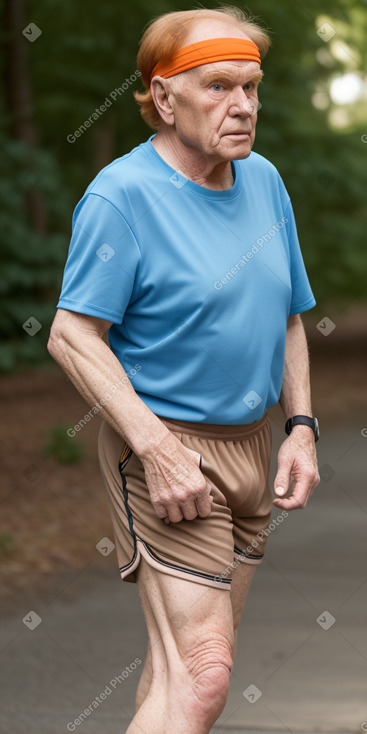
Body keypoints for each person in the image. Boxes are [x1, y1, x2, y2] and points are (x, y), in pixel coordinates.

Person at [48, 6, 320, 733]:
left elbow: (288, 314)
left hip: (252, 448)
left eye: (252, 87)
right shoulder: (122, 195)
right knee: (205, 675)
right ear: (163, 98)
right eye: (218, 86)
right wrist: (159, 451)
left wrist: (299, 426)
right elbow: (72, 334)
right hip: (167, 450)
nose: (243, 106)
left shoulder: (263, 181)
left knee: (176, 671)